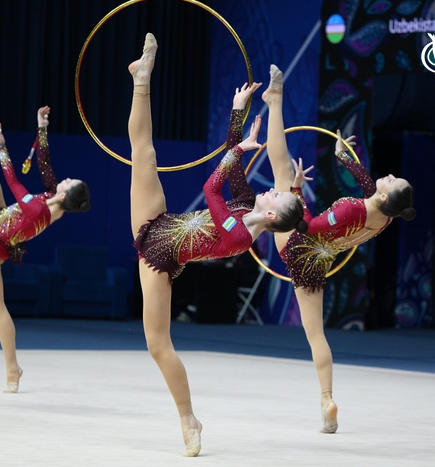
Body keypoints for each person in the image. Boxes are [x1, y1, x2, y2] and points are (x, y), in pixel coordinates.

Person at [127, 33, 307, 457]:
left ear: (275, 216)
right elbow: (234, 165)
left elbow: (212, 189)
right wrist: (236, 115)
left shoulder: (242, 235)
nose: (272, 191)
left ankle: (188, 417)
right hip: (162, 220)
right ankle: (142, 76)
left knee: (157, 344)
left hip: (159, 257)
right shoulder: (247, 203)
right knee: (144, 154)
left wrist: (233, 153)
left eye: (278, 196)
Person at [262, 64, 416, 433]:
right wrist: (347, 161)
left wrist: (297, 190)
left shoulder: (352, 210)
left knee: (281, 169)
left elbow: (306, 225)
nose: (389, 175)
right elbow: (370, 191)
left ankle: (276, 100)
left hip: (300, 246)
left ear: (385, 193)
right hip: (318, 262)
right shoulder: (385, 217)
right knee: (316, 334)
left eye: (392, 180)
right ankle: (326, 398)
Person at [0, 76, 90, 393]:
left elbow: (15, 184)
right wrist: (42, 127)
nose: (63, 180)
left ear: (66, 196)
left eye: (68, 183)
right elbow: (45, 164)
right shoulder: (55, 198)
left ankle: (13, 369)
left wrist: (3, 147)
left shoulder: (43, 211)